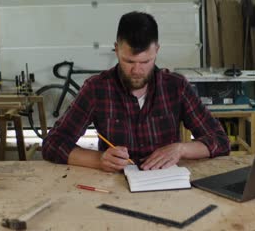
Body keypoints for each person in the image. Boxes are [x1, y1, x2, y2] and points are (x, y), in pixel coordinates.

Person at [42, 11, 229, 172]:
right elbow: (53, 143)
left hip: (166, 184)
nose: (137, 71)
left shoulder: (176, 87)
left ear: (157, 50)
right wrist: (98, 160)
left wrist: (181, 149)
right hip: (112, 186)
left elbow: (220, 141)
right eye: (129, 61)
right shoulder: (97, 88)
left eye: (145, 62)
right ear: (116, 50)